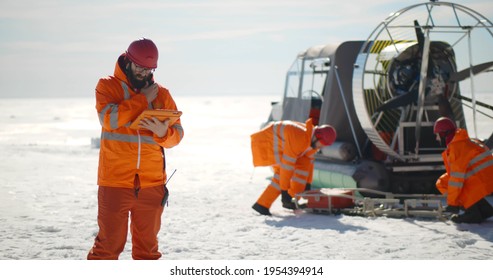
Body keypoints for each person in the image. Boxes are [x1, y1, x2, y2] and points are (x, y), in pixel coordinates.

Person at [87, 38, 184, 260]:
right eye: (140, 67)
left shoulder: (163, 95)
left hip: (152, 185)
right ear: (128, 61)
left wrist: (163, 133)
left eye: (149, 69)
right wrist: (142, 100)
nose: (144, 72)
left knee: (148, 251)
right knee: (107, 247)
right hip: (115, 183)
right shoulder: (107, 86)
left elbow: (177, 135)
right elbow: (109, 120)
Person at [251, 118, 336, 215]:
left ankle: (291, 200)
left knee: (303, 167)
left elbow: (309, 161)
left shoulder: (310, 138)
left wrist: (307, 184)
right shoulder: (299, 137)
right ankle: (262, 205)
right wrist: (284, 190)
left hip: (281, 144)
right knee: (281, 175)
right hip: (268, 143)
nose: (321, 147)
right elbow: (287, 166)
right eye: (322, 144)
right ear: (317, 137)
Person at [434, 117, 493, 224]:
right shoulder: (461, 141)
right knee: (442, 182)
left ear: (443, 134)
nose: (436, 138)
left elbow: (457, 179)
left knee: (457, 183)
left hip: (483, 180)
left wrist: (453, 204)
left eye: (437, 135)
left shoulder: (457, 147)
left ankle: (472, 213)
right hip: (485, 178)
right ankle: (485, 209)